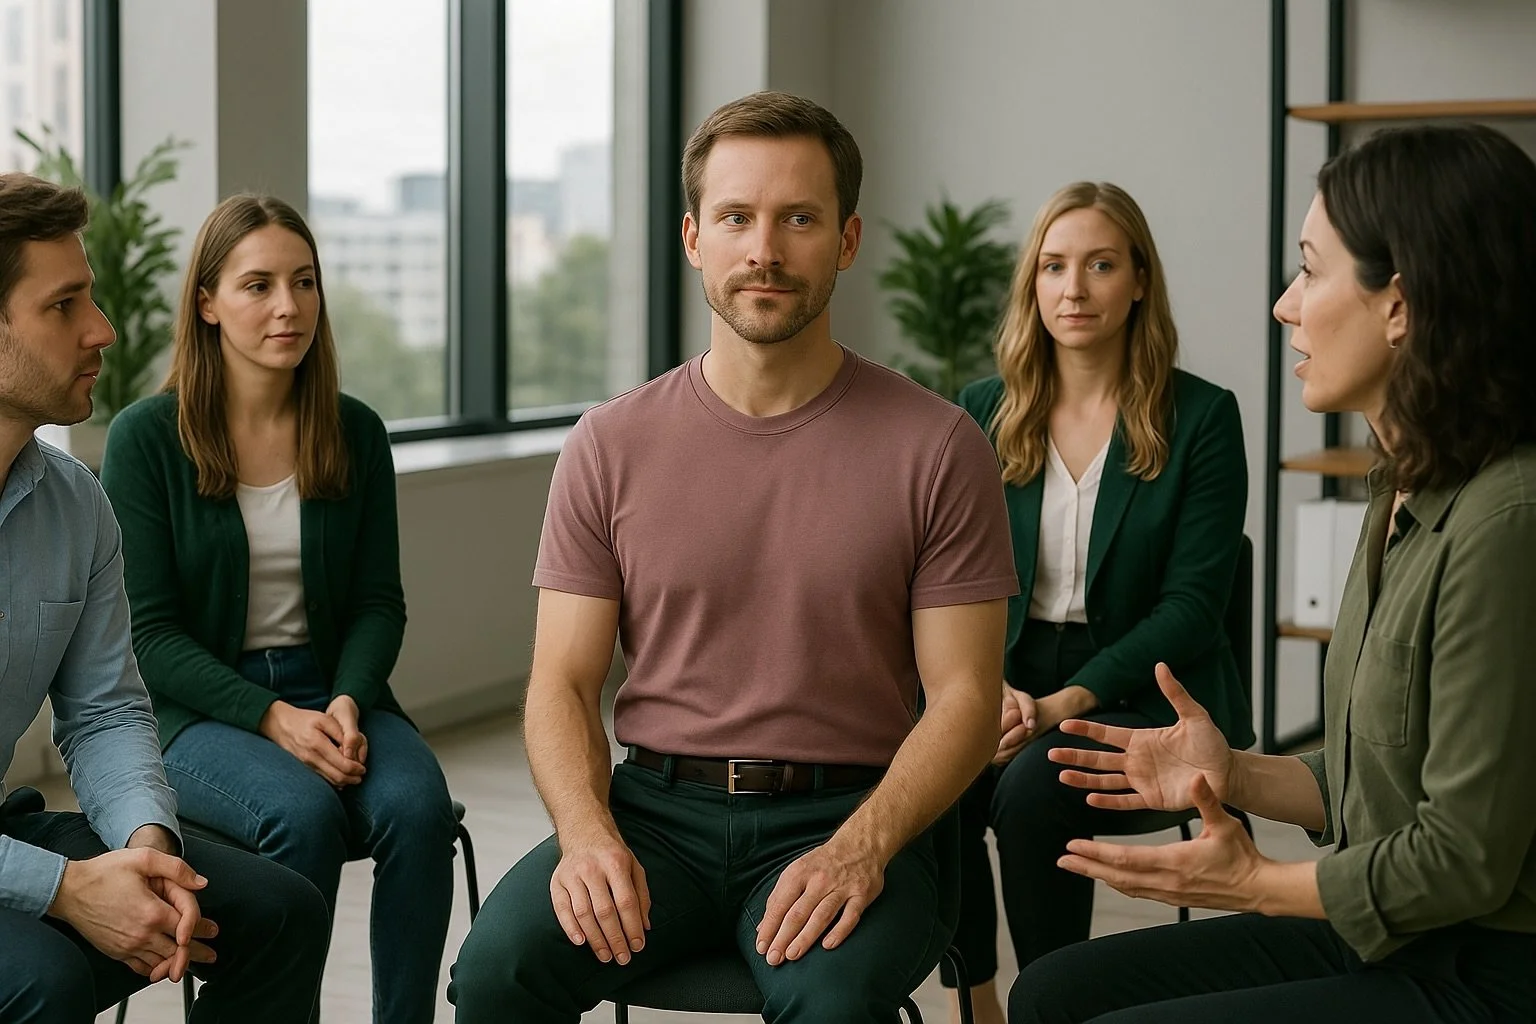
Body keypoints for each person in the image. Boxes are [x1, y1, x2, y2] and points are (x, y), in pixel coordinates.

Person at [448, 90, 1017, 1023]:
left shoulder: (939, 446)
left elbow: (964, 696)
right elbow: (560, 680)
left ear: (846, 239)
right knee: (495, 975)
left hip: (849, 815)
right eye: (737, 217)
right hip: (653, 816)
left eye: (799, 217)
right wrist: (586, 834)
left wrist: (863, 846)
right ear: (693, 238)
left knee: (829, 1005)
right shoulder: (608, 444)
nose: (765, 248)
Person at [1010, 123, 1536, 1024]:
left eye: (1311, 270)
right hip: (1390, 931)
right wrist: (1236, 773)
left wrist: (1258, 883)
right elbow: (1373, 777)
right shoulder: (1402, 491)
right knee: (1051, 994)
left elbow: (1460, 858)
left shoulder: (1505, 522)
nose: (1285, 305)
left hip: (1480, 967)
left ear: (1400, 305)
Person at [99, 194, 458, 1024]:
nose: (287, 306)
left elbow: (378, 602)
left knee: (418, 808)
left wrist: (344, 699)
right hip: (197, 711)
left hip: (333, 691)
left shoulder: (355, 431)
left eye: (303, 282)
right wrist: (269, 718)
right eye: (257, 285)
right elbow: (147, 635)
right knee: (299, 815)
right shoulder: (147, 438)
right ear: (208, 303)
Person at [0, 171, 327, 1022]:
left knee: (280, 911)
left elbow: (106, 710)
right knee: (48, 977)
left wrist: (147, 847)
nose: (101, 331)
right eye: (64, 305)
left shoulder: (76, 505)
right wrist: (64, 888)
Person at [943, 181, 1252, 1024]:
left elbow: (1194, 606)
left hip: (1152, 684)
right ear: (1032, 285)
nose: (1073, 289)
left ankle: (1057, 1005)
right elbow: (943, 582)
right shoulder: (981, 413)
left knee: (1036, 790)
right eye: (1053, 267)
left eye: (1101, 265)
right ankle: (980, 1003)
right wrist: (989, 689)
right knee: (941, 773)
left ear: (1140, 280)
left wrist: (1062, 704)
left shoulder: (1202, 418)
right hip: (1008, 667)